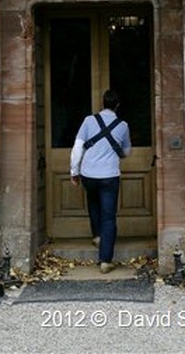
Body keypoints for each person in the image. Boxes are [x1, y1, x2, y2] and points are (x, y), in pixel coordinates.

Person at [69, 89, 131, 273]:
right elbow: (126, 151)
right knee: (109, 216)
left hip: (89, 174)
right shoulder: (123, 125)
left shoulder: (89, 121)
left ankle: (97, 236)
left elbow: (78, 147)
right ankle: (105, 260)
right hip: (110, 175)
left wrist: (74, 171)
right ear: (117, 105)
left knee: (93, 203)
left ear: (103, 103)